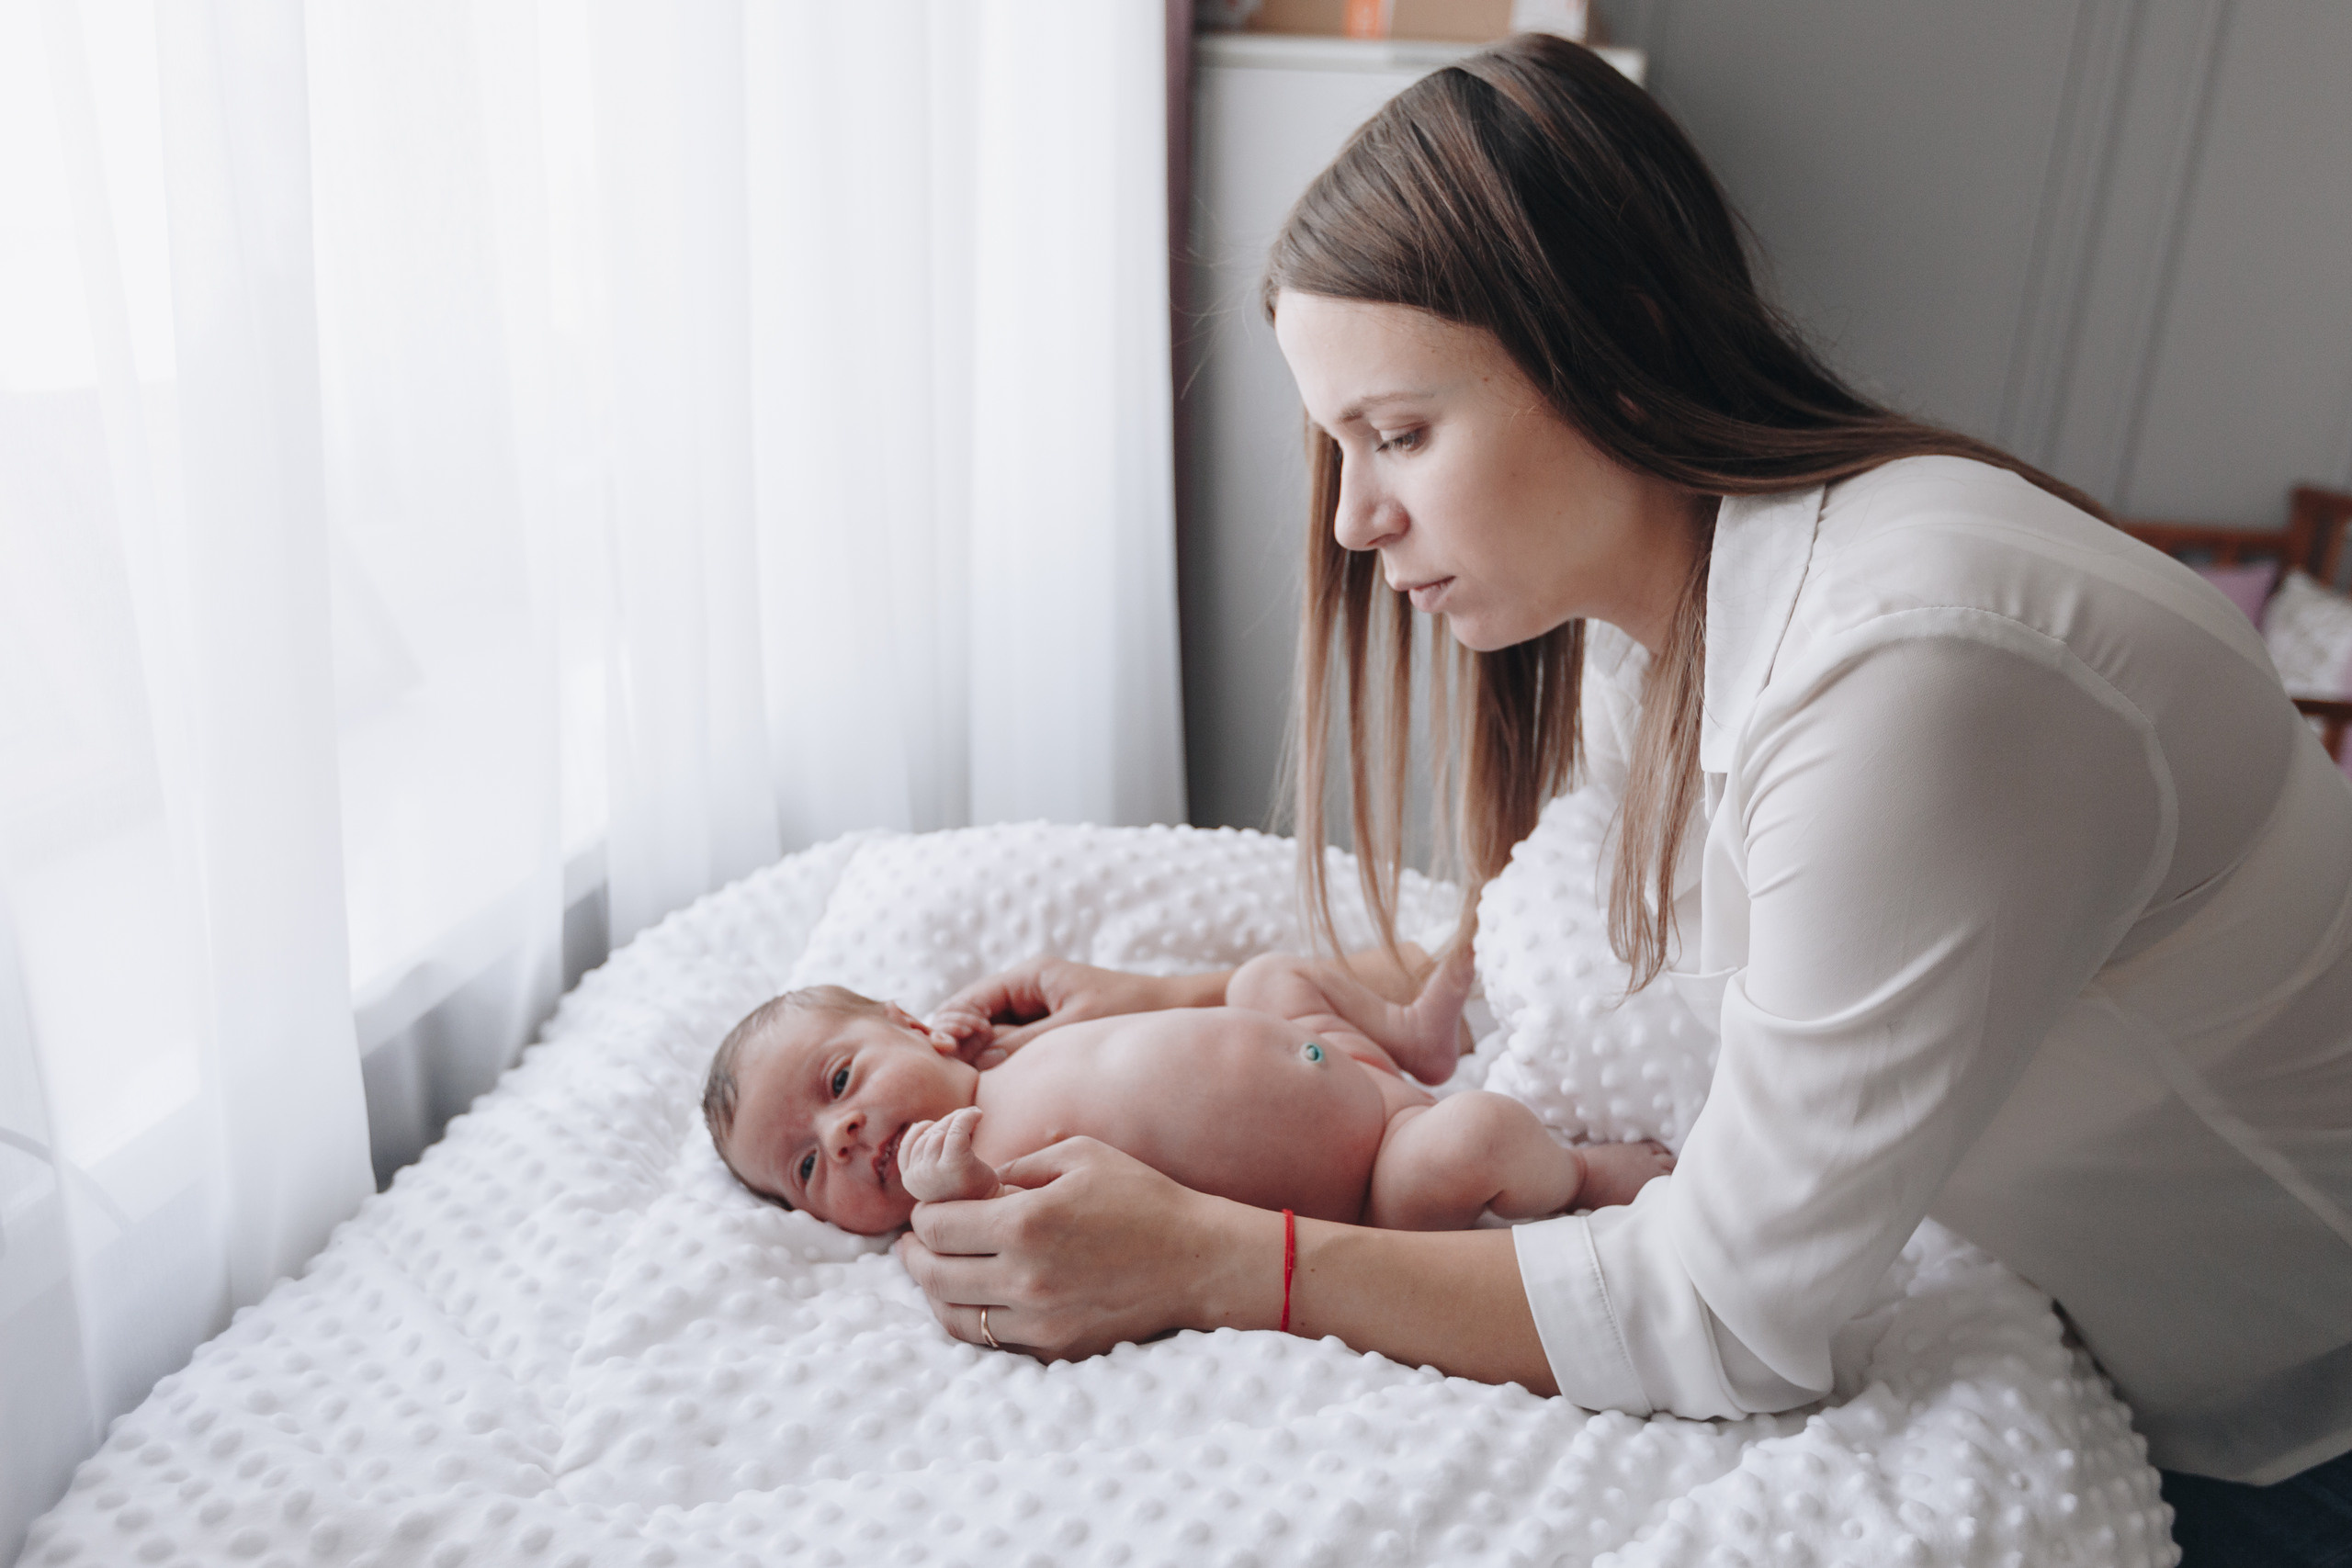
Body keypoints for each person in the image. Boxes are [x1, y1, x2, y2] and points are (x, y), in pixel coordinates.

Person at [892, 32, 2352, 1566]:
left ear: (1618, 345)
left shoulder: (1908, 677)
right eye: (1338, 446)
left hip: (2281, 1426)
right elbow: (1602, 962)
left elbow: (1737, 1313)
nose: (1351, 515)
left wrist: (1214, 1260)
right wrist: (1174, 1004)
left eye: (1397, 433)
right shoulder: (1667, 614)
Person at [700, 952, 1674, 1236]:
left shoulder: (1008, 1057)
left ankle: (1408, 1034)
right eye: (803, 1167)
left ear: (916, 1024)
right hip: (1376, 1174)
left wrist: (1019, 1028)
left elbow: (1145, 1030)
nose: (842, 1135)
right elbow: (1056, 1231)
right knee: (1470, 1140)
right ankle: (1579, 1174)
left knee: (1263, 976)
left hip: (1337, 1060)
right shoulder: (958, 1191)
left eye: (838, 1081)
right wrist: (953, 1189)